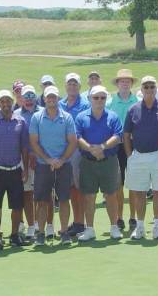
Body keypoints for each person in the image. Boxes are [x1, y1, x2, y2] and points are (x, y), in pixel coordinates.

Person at [123, 76, 158, 240]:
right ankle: (139, 227)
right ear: (142, 89)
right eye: (146, 87)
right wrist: (129, 155)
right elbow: (126, 135)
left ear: (155, 89)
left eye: (152, 86)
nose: (149, 89)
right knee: (139, 192)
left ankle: (157, 227)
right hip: (138, 156)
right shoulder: (133, 109)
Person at [29, 86, 78, 246]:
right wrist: (49, 160)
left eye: (54, 97)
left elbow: (72, 141)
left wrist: (62, 160)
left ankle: (64, 232)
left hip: (64, 165)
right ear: (44, 99)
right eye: (48, 97)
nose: (51, 100)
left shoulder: (67, 117)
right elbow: (34, 142)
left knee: (64, 199)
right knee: (42, 201)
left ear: (58, 99)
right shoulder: (36, 117)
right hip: (44, 165)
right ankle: (41, 233)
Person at [0, 90, 32, 249]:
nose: (5, 104)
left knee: (17, 205)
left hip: (15, 169)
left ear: (12, 102)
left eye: (8, 101)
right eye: (2, 101)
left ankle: (14, 235)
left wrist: (24, 169)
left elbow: (24, 147)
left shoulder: (20, 121)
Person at [74, 85, 124, 241]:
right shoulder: (81, 117)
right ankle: (89, 229)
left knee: (111, 194)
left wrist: (102, 147)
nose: (99, 100)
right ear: (89, 99)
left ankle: (114, 227)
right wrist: (90, 149)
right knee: (89, 196)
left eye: (102, 97)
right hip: (88, 162)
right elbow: (77, 136)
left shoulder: (113, 116)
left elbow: (118, 135)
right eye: (96, 97)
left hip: (108, 161)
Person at [106, 69, 138, 232]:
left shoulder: (137, 101)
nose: (125, 83)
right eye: (121, 81)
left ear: (131, 83)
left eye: (128, 81)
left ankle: (133, 217)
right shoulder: (110, 103)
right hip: (116, 146)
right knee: (118, 183)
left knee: (132, 183)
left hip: (133, 145)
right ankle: (119, 217)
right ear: (117, 84)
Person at [60, 73, 91, 238]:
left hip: (79, 152)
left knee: (81, 188)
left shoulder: (86, 105)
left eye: (75, 84)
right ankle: (77, 221)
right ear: (65, 86)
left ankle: (81, 222)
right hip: (63, 153)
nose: (72, 86)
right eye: (69, 84)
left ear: (79, 87)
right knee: (71, 189)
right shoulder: (59, 104)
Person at [13, 85, 43, 239]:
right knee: (27, 194)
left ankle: (40, 224)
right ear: (21, 99)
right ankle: (31, 225)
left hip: (42, 159)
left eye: (32, 96)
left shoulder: (44, 112)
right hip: (22, 160)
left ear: (35, 97)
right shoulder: (16, 114)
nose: (29, 99)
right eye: (26, 96)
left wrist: (36, 154)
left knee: (41, 194)